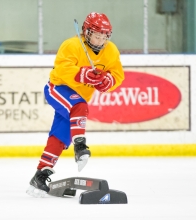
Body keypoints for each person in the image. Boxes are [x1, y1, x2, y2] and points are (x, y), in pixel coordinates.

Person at [26, 12, 125, 197]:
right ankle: (80, 146)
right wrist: (83, 74)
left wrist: (107, 81)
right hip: (58, 88)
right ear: (87, 32)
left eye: (105, 36)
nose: (101, 39)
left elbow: (118, 74)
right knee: (80, 107)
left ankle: (40, 175)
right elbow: (62, 69)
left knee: (62, 135)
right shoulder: (72, 45)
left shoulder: (111, 50)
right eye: (97, 35)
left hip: (78, 98)